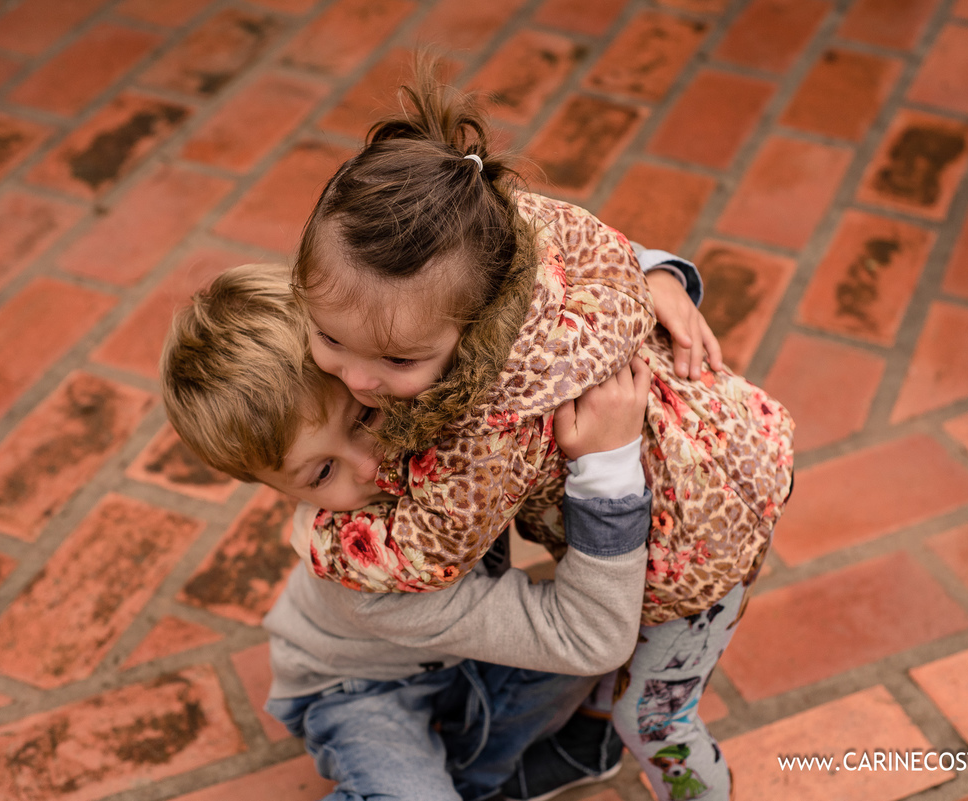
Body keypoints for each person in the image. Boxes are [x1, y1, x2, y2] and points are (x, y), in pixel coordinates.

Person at [284, 66, 795, 800]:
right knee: (618, 676)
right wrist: (662, 272)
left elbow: (428, 553)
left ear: (479, 311)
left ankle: (701, 790)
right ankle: (586, 750)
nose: (359, 380)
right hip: (734, 439)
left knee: (652, 715)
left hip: (697, 552)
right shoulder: (509, 222)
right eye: (330, 339)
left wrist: (320, 534)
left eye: (397, 360)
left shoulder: (495, 420)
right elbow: (609, 251)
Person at [161, 264, 655, 801]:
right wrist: (609, 472)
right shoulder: (369, 572)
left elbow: (525, 266)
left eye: (363, 418)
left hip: (454, 654)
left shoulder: (438, 388)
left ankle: (476, 780)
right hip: (355, 687)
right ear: (283, 491)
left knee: (635, 600)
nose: (370, 467)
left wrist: (654, 277)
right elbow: (590, 637)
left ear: (368, 363)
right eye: (322, 473)